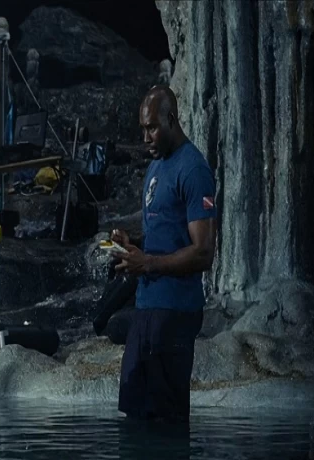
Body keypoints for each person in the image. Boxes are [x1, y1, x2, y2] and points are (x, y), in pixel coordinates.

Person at [109, 85, 217, 423]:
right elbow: (164, 233)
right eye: (143, 129)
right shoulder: (156, 166)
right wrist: (132, 244)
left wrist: (148, 263)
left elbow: (204, 252)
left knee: (166, 423)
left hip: (175, 312)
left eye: (152, 127)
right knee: (134, 414)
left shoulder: (193, 170)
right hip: (147, 308)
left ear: (172, 119)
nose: (146, 137)